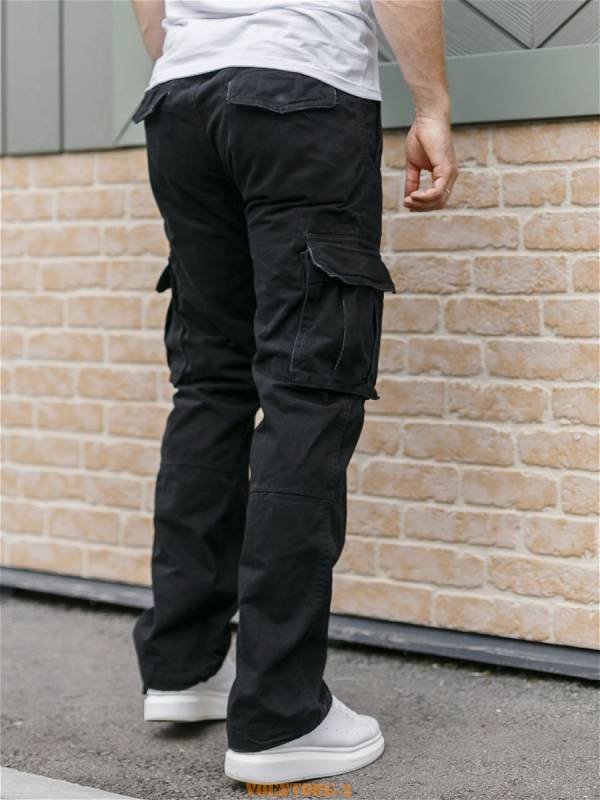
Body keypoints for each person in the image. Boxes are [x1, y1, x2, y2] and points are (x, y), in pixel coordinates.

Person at [130, 0, 457, 785]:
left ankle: (184, 666)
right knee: (307, 387)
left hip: (180, 102)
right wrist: (433, 106)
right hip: (301, 93)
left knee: (211, 383)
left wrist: (195, 53)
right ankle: (282, 716)